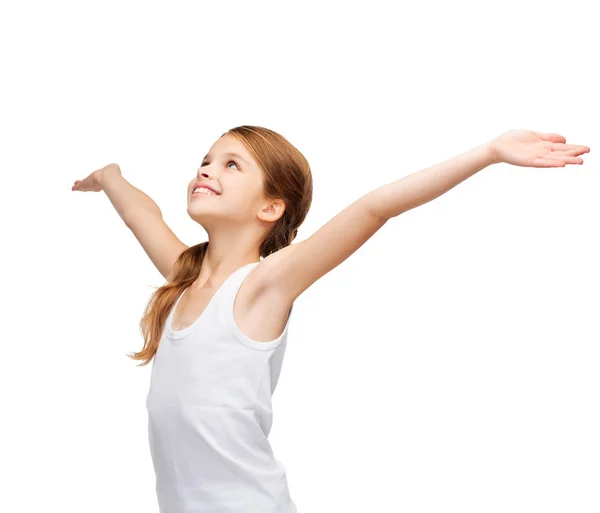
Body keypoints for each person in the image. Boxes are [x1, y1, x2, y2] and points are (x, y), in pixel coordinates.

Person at [72, 125, 590, 513]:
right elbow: (142, 213)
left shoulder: (262, 287)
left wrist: (489, 153)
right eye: (206, 159)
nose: (206, 169)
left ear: (271, 208)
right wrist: (110, 177)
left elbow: (374, 208)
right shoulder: (185, 279)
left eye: (232, 165)